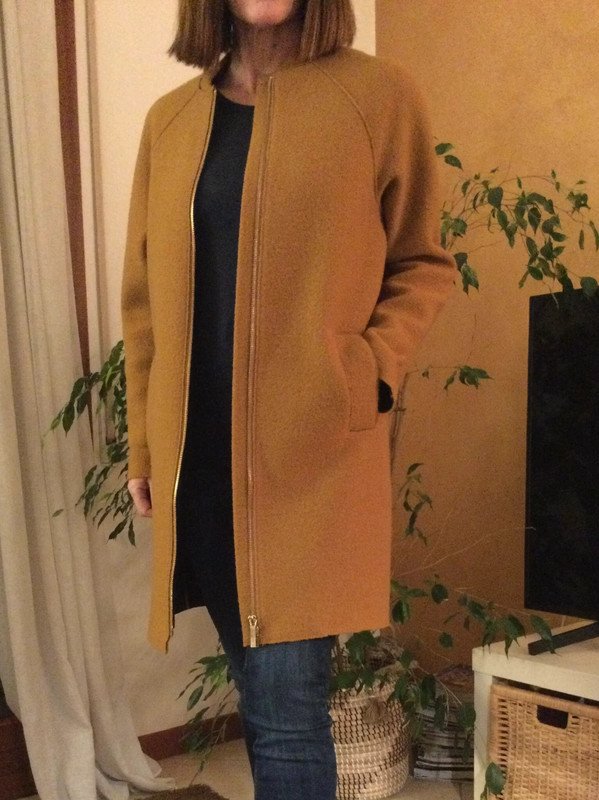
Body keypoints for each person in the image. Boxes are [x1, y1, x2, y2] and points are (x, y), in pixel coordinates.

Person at [121, 1, 457, 797]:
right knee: (263, 690)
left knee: (283, 710)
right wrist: (144, 445)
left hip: (307, 460)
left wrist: (367, 372)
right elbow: (143, 308)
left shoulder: (377, 96)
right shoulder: (170, 121)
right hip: (201, 465)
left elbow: (421, 262)